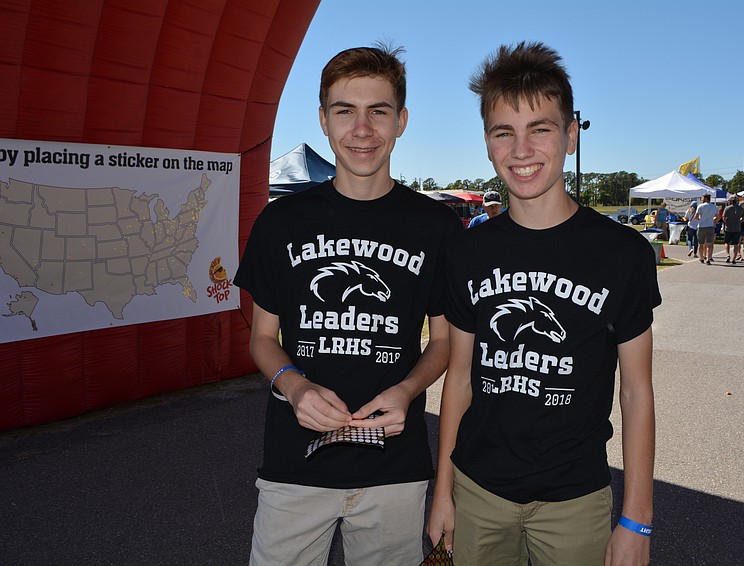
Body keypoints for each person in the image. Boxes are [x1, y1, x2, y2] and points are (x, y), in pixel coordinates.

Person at [427, 41, 660, 566]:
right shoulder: (468, 252)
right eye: (503, 132)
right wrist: (444, 491)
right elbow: (459, 379)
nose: (521, 149)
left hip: (575, 498)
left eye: (541, 128)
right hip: (478, 491)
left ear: (571, 135)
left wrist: (636, 518)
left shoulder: (622, 254)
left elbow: (638, 393)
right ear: (487, 144)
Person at [233, 44, 463, 566]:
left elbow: (445, 342)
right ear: (322, 119)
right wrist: (294, 387)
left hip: (394, 469)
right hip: (295, 468)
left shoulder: (436, 228)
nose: (362, 129)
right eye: (345, 111)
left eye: (378, 111)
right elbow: (263, 339)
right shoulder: (281, 222)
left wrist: (406, 390)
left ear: (401, 121)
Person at [694, 193, 719, 264]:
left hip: (701, 226)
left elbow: (696, 217)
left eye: (702, 198)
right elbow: (718, 217)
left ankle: (701, 257)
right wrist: (713, 220)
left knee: (700, 243)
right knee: (709, 244)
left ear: (705, 198)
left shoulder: (700, 206)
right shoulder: (714, 207)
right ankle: (708, 257)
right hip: (710, 226)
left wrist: (701, 219)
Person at [722, 196, 744, 264]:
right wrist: (739, 222)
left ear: (731, 201)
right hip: (737, 228)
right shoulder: (740, 208)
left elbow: (724, 217)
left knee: (727, 242)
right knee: (736, 244)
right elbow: (743, 218)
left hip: (728, 228)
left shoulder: (727, 208)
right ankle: (734, 258)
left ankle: (728, 255)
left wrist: (726, 223)